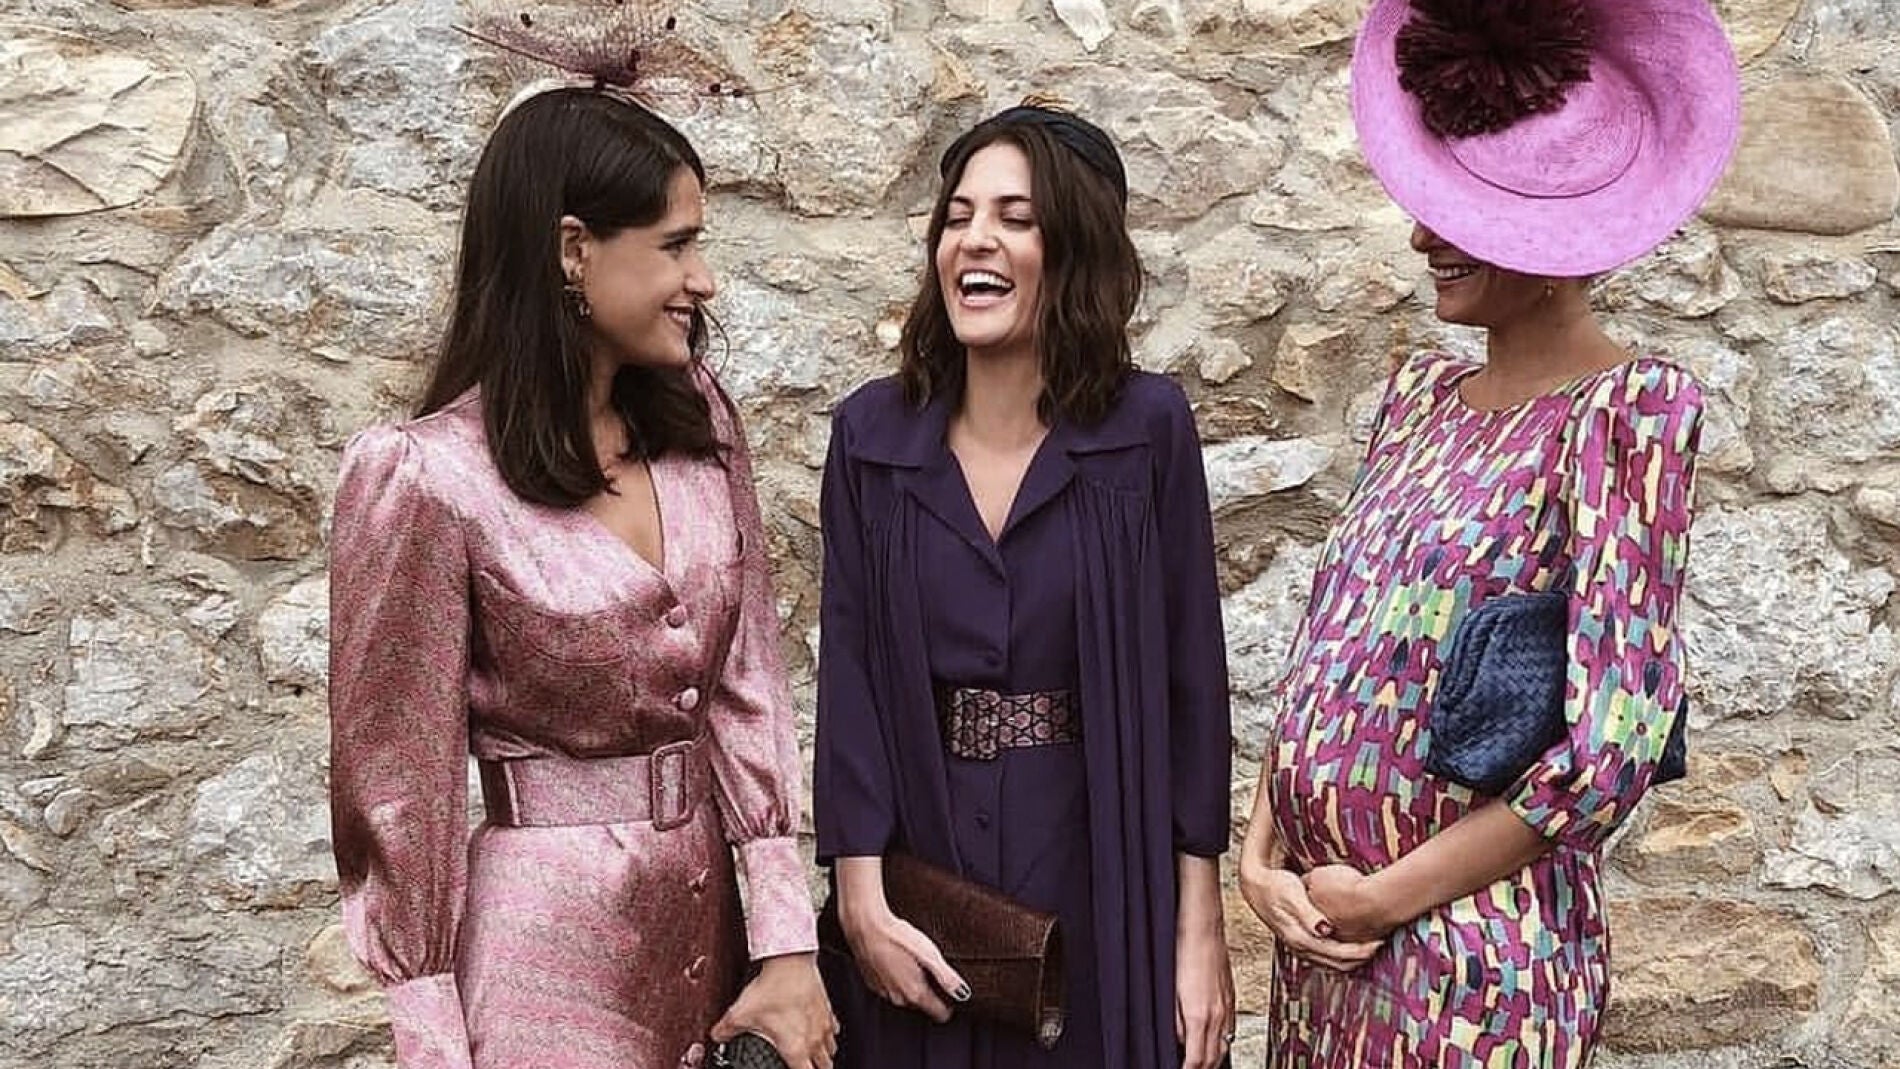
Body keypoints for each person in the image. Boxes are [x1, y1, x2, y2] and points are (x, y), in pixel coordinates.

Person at [1237, 1, 1741, 1066]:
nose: (1422, 238)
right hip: (1324, 951)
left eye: (1458, 215)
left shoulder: (1626, 411)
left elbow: (1615, 741)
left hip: (1472, 965)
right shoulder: (1418, 399)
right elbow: (1329, 647)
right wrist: (1260, 858)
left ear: (1553, 236)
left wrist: (1384, 897)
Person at [327, 83, 836, 1069]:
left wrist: (784, 940)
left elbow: (746, 684)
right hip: (545, 959)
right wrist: (432, 1041)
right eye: (676, 245)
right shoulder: (426, 476)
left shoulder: (700, 425)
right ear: (574, 250)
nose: (703, 279)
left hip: (710, 937)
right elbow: (397, 781)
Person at [813, 103, 1237, 1069]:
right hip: (925, 871)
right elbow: (850, 677)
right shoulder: (872, 439)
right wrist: (860, 895)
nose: (975, 239)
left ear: (1074, 248)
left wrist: (1197, 924)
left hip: (1100, 860)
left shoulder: (1147, 431)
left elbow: (1192, 682)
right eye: (958, 216)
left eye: (1016, 217)